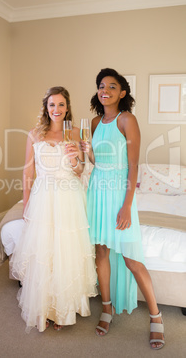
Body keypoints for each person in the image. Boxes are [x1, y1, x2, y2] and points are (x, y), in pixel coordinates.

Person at [80, 68, 165, 350]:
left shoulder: (127, 119)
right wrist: (85, 151)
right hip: (97, 190)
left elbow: (133, 166)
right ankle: (107, 308)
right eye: (101, 86)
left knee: (131, 258)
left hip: (119, 193)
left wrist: (127, 206)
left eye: (112, 86)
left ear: (122, 92)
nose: (105, 90)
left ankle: (156, 316)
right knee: (101, 251)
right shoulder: (93, 122)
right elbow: (94, 160)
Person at [10, 86, 97, 333]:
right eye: (51, 105)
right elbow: (28, 172)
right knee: (44, 253)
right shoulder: (34, 134)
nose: (56, 109)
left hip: (69, 197)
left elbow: (81, 171)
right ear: (46, 108)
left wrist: (75, 160)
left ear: (67, 107)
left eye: (61, 104)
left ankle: (63, 309)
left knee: (65, 253)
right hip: (43, 197)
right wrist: (26, 205)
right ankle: (43, 308)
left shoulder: (76, 133)